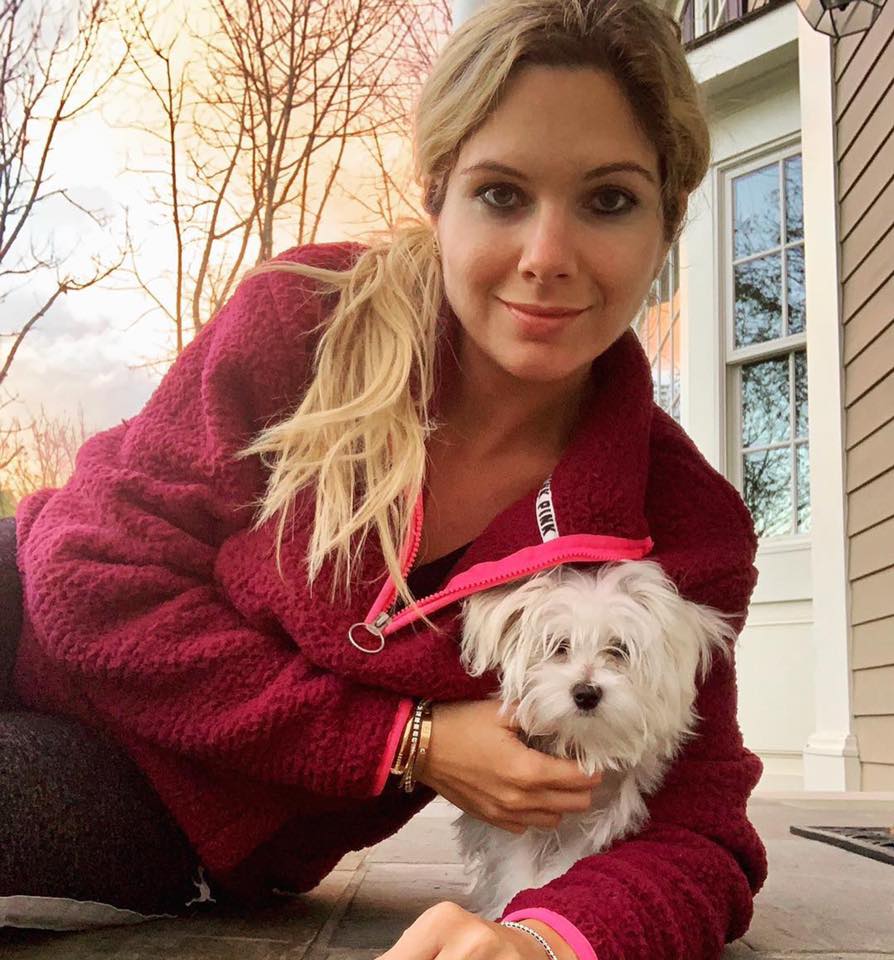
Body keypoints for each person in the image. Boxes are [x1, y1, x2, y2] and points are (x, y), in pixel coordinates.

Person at [0, 0, 768, 956]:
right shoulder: (304, 319)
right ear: (437, 198)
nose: (547, 257)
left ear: (668, 222)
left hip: (172, 801)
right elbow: (86, 574)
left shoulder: (684, 524)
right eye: (501, 194)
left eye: (609, 200)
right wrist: (409, 739)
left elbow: (699, 830)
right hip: (22, 598)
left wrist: (545, 941)